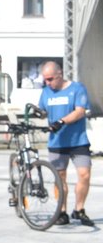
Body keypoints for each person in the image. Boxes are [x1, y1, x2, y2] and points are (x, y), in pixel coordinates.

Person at [38, 61, 92, 226]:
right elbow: (43, 112)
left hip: (78, 141)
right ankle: (62, 212)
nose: (47, 83)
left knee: (84, 174)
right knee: (60, 178)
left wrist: (61, 121)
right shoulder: (46, 92)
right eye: (45, 80)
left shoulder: (77, 88)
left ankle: (79, 210)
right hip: (57, 142)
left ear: (60, 74)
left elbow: (80, 111)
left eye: (50, 79)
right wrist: (38, 113)